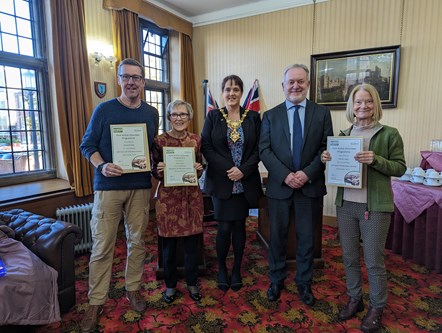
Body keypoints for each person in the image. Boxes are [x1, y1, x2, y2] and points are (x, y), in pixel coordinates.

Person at [79, 58, 159, 332]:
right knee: (102, 246)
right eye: (126, 77)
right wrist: (102, 164)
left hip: (140, 187)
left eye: (136, 77)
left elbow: (149, 148)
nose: (131, 82)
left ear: (143, 82)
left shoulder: (151, 113)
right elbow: (87, 145)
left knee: (137, 242)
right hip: (108, 188)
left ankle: (132, 288)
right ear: (119, 80)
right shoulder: (104, 110)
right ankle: (96, 301)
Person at [321, 84, 406, 332]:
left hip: (375, 208)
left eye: (368, 101)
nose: (363, 106)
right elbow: (337, 166)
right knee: (348, 257)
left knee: (373, 260)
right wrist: (326, 158)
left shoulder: (389, 134)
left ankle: (376, 307)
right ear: (352, 106)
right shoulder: (343, 136)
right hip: (346, 205)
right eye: (358, 102)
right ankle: (354, 299)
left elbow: (400, 167)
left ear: (375, 104)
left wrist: (376, 159)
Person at [259, 64, 333, 305]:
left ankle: (304, 282)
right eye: (291, 82)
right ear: (283, 86)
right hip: (280, 187)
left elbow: (326, 147)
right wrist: (285, 175)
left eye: (300, 81)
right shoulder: (270, 115)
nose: (296, 86)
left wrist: (306, 173)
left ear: (308, 84)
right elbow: (264, 150)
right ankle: (276, 279)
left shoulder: (321, 113)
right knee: (277, 237)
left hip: (309, 187)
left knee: (306, 239)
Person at [201, 75, 262, 292]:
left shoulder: (253, 117)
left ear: (242, 92)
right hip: (221, 181)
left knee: (239, 227)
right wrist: (229, 169)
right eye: (227, 89)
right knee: (224, 228)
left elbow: (259, 149)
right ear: (222, 92)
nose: (232, 93)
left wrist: (242, 171)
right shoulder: (213, 117)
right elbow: (206, 147)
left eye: (236, 89)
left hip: (244, 182)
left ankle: (236, 268)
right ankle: (221, 269)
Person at [151, 99, 204, 304]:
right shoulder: (159, 141)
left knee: (192, 246)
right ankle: (171, 285)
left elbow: (200, 164)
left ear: (189, 118)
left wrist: (200, 169)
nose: (179, 118)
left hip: (191, 198)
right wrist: (159, 170)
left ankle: (192, 283)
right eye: (175, 114)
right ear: (169, 117)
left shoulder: (196, 140)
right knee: (169, 248)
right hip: (168, 200)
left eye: (183, 114)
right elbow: (153, 169)